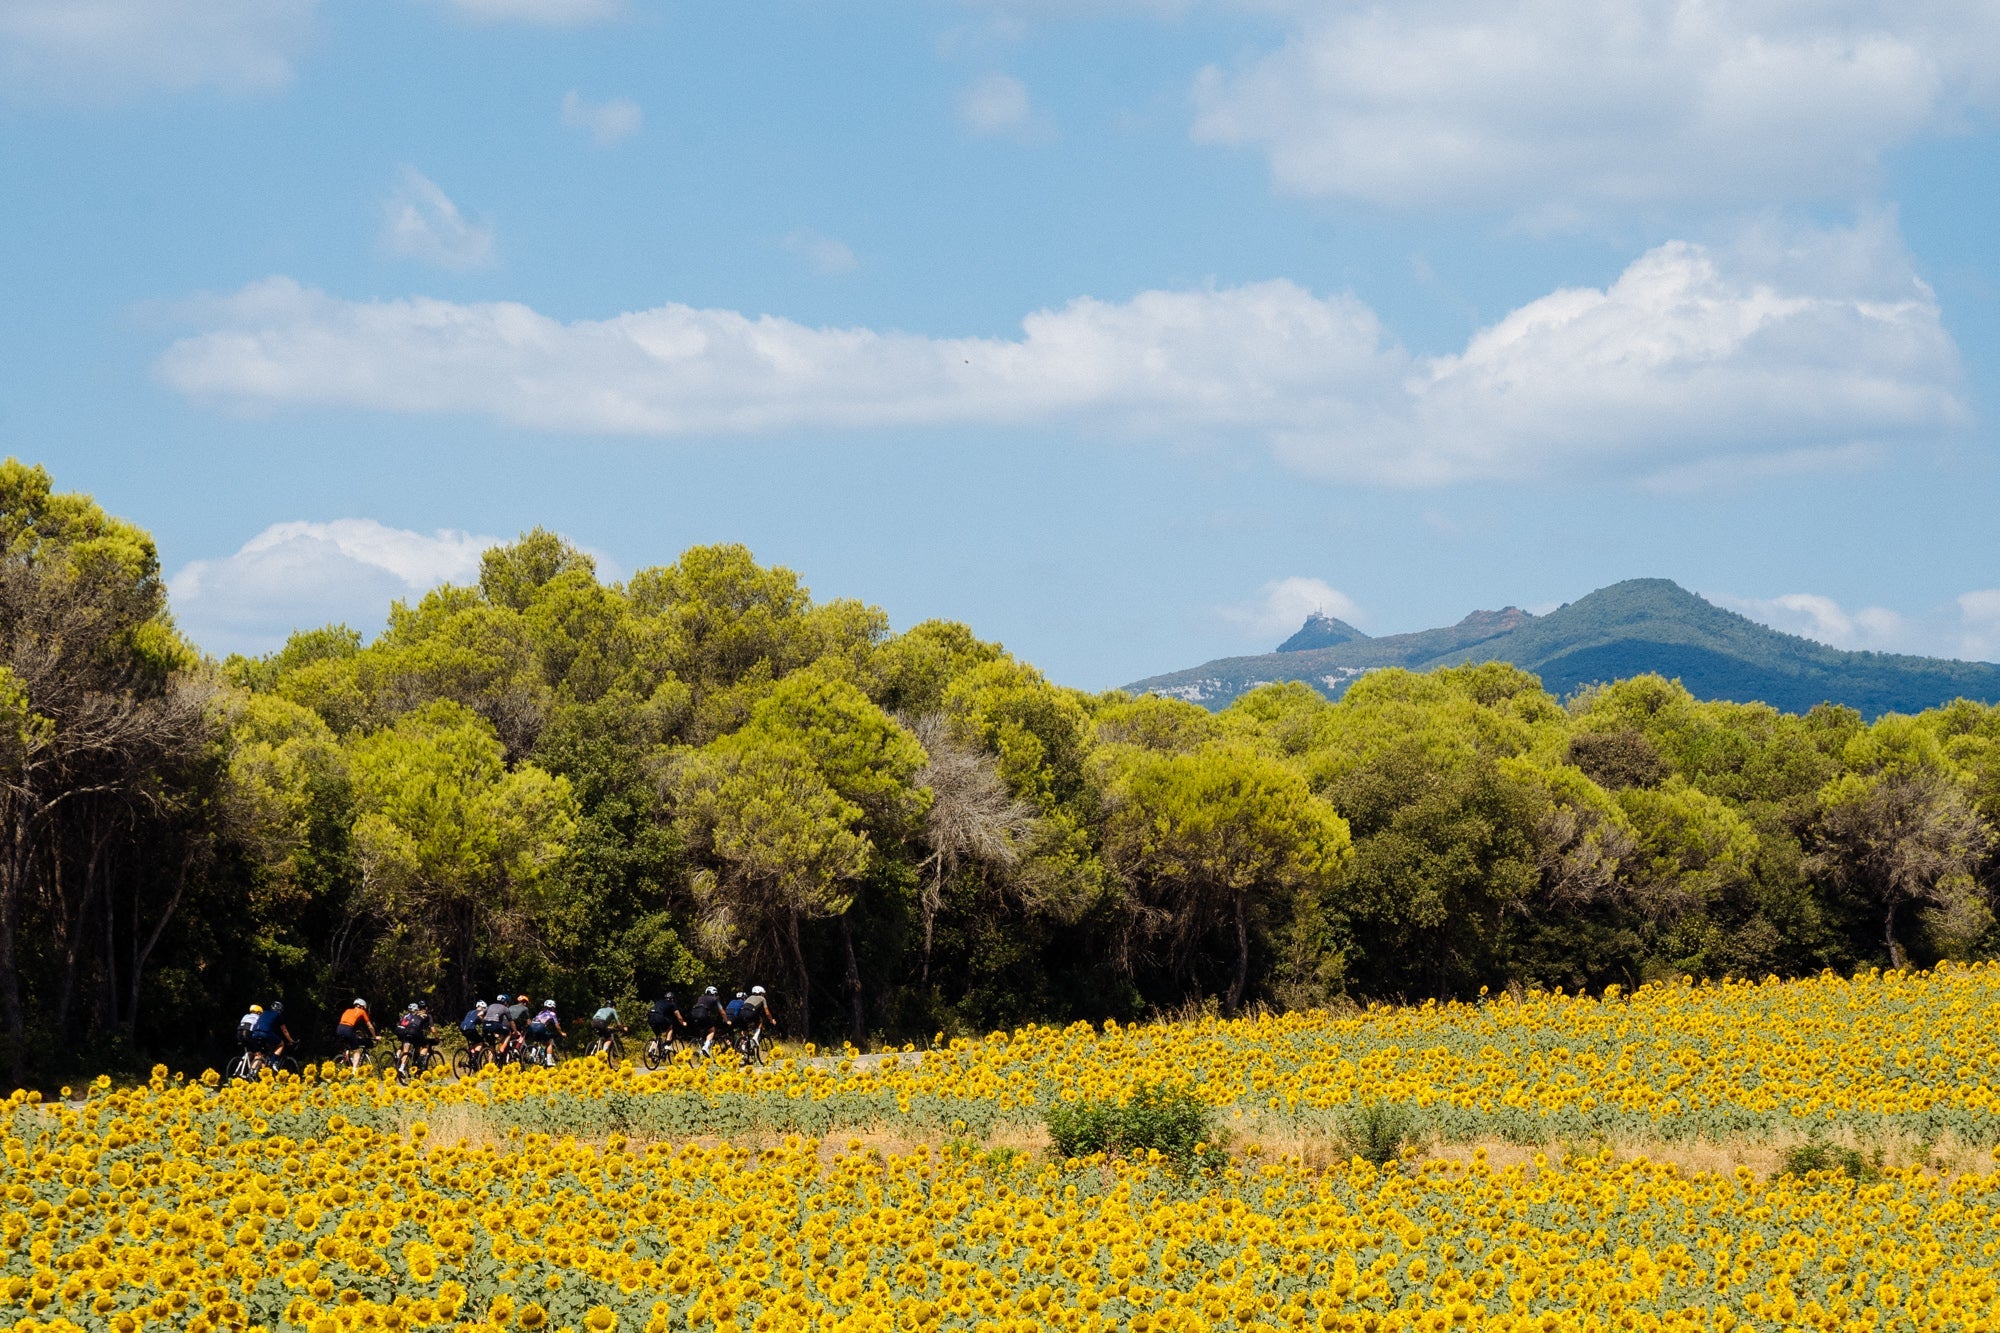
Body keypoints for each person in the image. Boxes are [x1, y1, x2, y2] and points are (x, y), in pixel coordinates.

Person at [246, 1003, 292, 1073]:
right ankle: (273, 1062)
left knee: (261, 1054)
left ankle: (253, 1072)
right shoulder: (278, 1015)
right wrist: (290, 1040)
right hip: (265, 1033)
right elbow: (284, 1030)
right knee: (281, 1044)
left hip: (255, 1033)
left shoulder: (263, 1012)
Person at [394, 1002, 434, 1077]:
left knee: (406, 1048)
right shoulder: (425, 1015)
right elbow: (430, 1028)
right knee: (425, 1045)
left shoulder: (407, 1015)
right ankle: (418, 1062)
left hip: (402, 1031)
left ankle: (399, 1059)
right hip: (413, 1032)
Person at [335, 998, 376, 1072]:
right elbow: (370, 1026)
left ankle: (343, 1060)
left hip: (339, 1028)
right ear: (363, 1006)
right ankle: (354, 1072)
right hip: (348, 1029)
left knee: (349, 1043)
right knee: (356, 1052)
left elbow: (346, 1023)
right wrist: (374, 1036)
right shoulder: (362, 1011)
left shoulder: (347, 1010)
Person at [688, 986, 729, 1053]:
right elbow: (722, 1012)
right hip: (702, 1013)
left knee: (702, 1027)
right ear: (714, 993)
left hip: (693, 1013)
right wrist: (727, 1021)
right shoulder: (715, 999)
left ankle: (700, 1042)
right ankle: (705, 1047)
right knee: (712, 1030)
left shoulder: (700, 997)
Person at [526, 999, 564, 1065]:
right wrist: (561, 1033)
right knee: (549, 1043)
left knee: (537, 1041)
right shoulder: (552, 1014)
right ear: (552, 1007)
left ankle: (532, 1055)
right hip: (540, 1027)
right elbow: (557, 1025)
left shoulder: (541, 1012)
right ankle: (549, 1061)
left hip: (532, 1026)